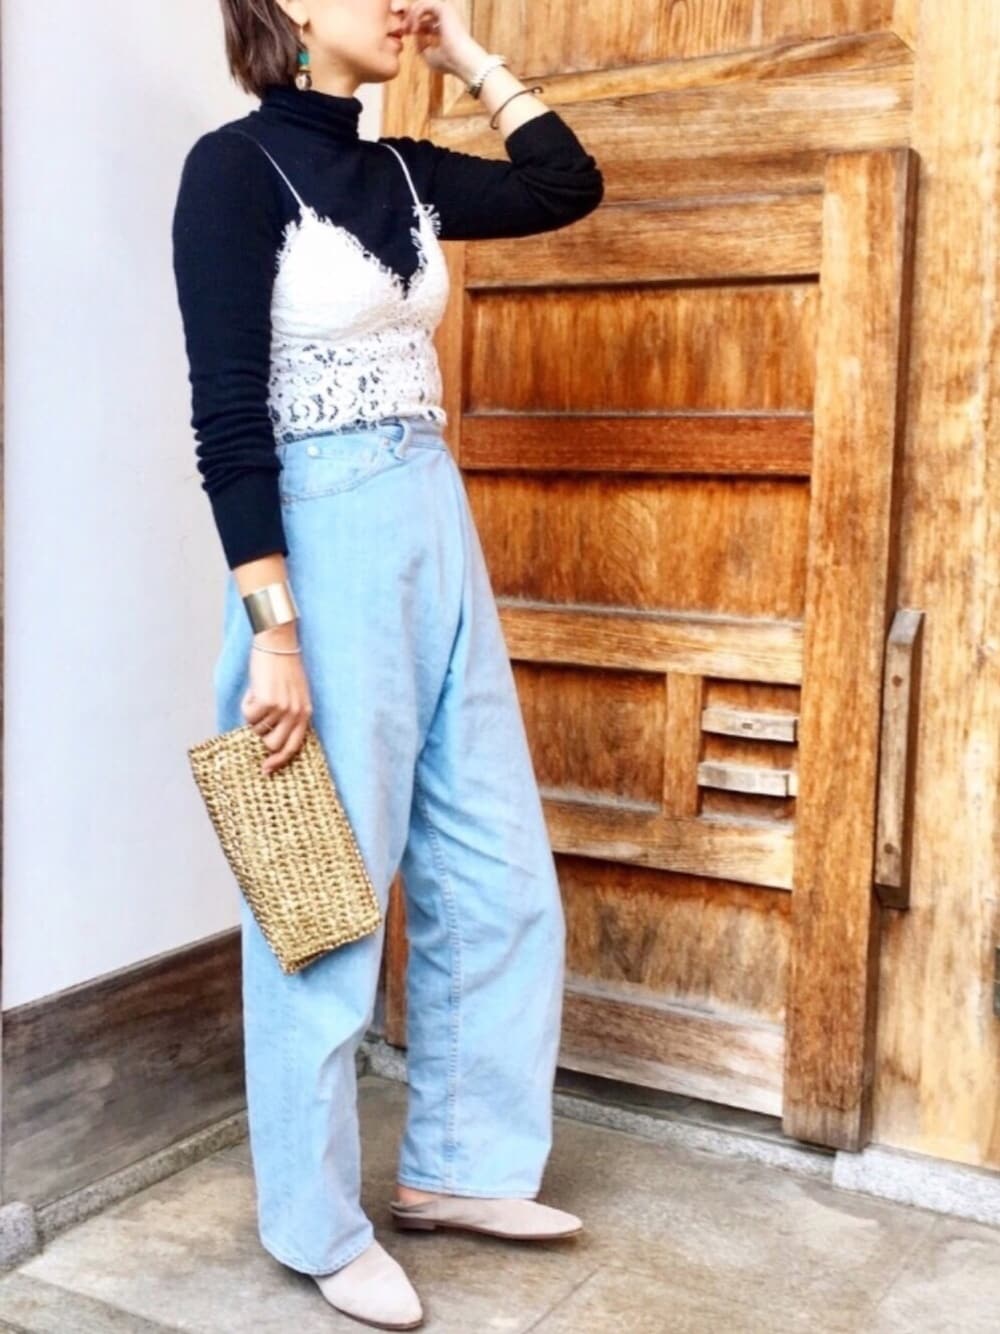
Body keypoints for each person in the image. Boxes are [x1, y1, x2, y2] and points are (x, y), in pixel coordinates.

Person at [171, 0, 604, 1327]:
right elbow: (227, 418)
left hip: (432, 517)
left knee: (494, 860)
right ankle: (313, 1219)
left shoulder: (403, 170)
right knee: (318, 889)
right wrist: (274, 633)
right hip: (322, 539)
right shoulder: (232, 171)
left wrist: (466, 55)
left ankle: (462, 1166)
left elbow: (563, 185)